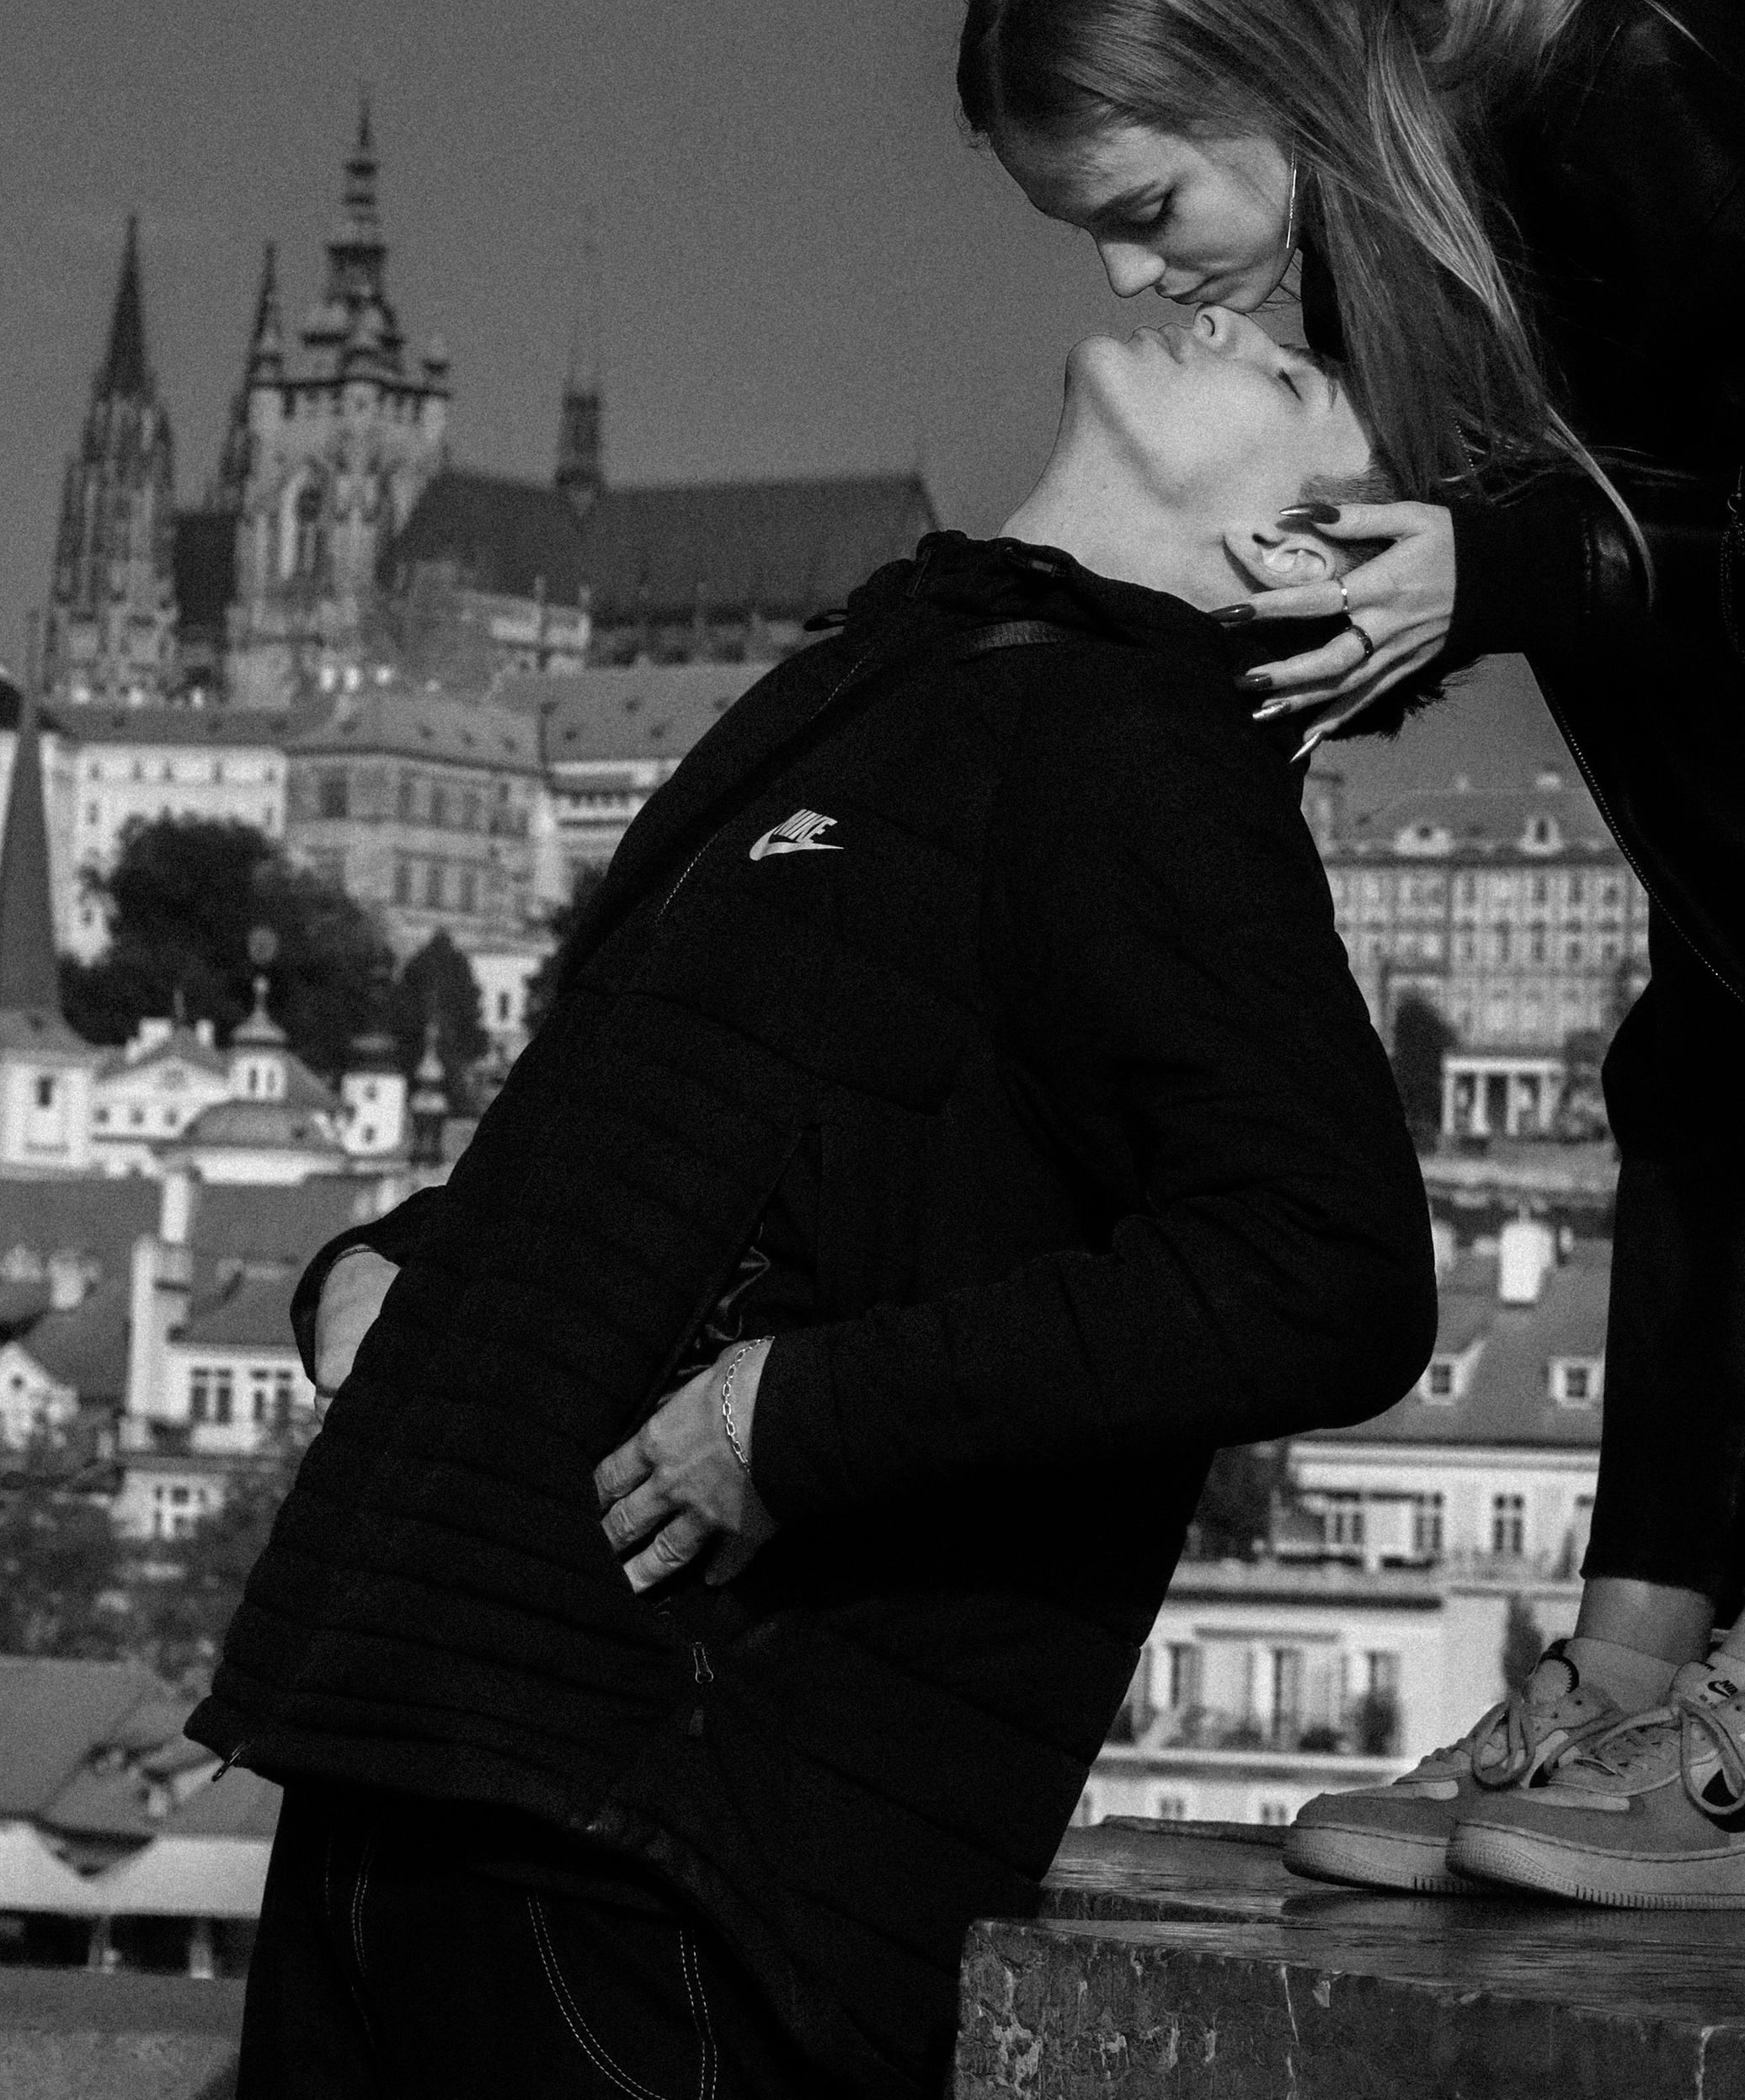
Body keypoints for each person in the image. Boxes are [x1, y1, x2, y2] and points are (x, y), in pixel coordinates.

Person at [960, 0, 1745, 1909]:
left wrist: (1499, 564)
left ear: (1260, 73)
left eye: (1143, 213)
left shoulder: (1608, 56)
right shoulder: (1380, 136)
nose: (1129, 280)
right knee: (1703, 1051)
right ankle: (1618, 1683)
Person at [195, 306, 1437, 2098]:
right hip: (400, 1739)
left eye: (1293, 378)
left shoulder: (1140, 745)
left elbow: (1325, 1267)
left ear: (1289, 548)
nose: (1230, 313)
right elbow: (702, 1136)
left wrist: (797, 1417)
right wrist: (394, 1265)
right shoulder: (885, 673)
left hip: (656, 1832)